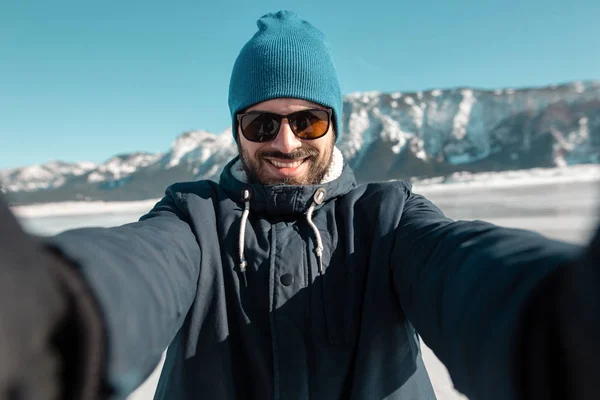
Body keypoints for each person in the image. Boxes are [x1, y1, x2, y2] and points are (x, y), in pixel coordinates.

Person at [0, 10, 599, 400]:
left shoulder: (388, 220)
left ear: (335, 126)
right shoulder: (193, 222)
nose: (286, 142)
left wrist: (561, 316)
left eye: (308, 120)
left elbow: (468, 272)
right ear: (236, 131)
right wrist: (45, 310)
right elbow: (132, 273)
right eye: (261, 123)